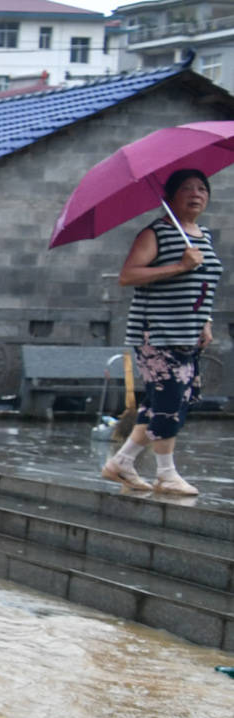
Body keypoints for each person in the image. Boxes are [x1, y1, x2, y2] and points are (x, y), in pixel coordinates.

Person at [102, 168, 222, 498]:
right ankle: (166, 475)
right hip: (157, 333)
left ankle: (122, 462)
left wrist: (205, 320)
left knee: (166, 401)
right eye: (186, 189)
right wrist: (179, 266)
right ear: (169, 197)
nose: (196, 194)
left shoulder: (203, 236)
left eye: (202, 188)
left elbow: (202, 284)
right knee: (170, 402)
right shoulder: (156, 232)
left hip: (188, 334)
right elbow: (128, 276)